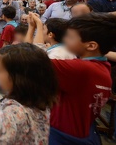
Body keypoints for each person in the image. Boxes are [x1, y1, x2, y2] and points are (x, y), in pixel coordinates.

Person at [29, 13, 116, 144]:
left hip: (65, 136)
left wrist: (38, 26)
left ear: (91, 45)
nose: (64, 39)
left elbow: (32, 61)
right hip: (84, 131)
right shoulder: (102, 66)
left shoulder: (82, 69)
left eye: (70, 37)